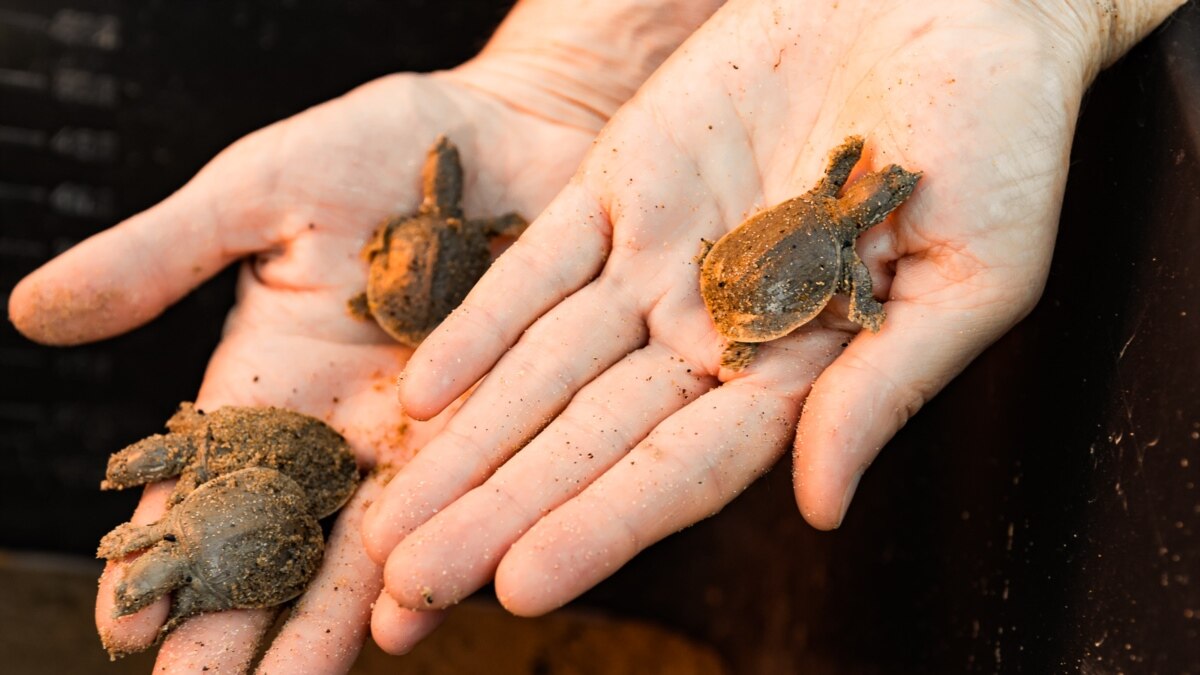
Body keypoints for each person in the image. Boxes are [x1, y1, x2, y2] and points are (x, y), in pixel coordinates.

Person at [8, 0, 1185, 672]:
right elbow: (837, 251)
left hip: (763, 239)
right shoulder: (831, 223)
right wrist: (579, 62)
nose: (881, 200)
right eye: (873, 198)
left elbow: (843, 252)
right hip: (748, 244)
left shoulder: (836, 218)